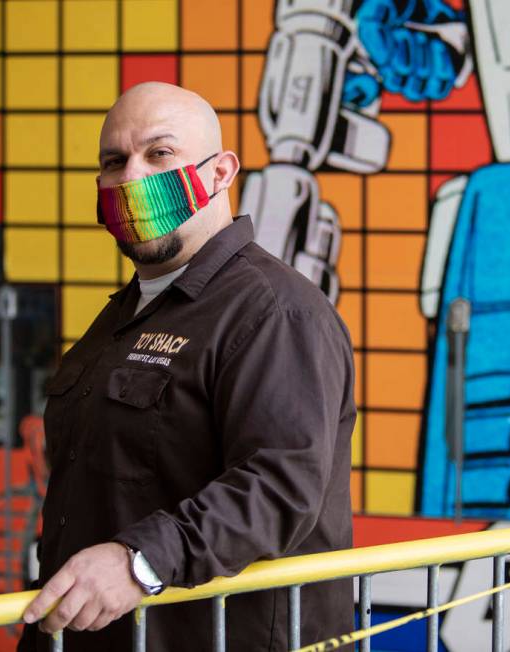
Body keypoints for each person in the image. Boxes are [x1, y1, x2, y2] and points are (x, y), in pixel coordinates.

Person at [18, 82, 356, 651]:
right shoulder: (125, 315)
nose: (131, 177)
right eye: (113, 161)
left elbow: (279, 485)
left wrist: (137, 564)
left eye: (159, 153)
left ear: (221, 173)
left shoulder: (276, 312)